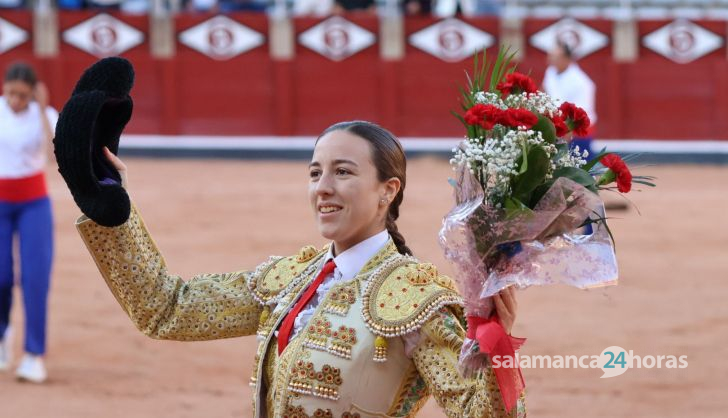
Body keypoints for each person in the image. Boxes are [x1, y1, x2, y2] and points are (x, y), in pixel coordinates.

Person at [71, 119, 526, 416]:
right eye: (315, 173)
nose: (323, 188)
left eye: (343, 172)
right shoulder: (292, 277)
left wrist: (494, 345)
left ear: (388, 190)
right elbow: (167, 309)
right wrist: (113, 211)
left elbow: (479, 412)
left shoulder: (414, 297)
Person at [0, 62, 58, 383]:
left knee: (36, 279)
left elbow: (54, 156)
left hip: (34, 202)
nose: (15, 101)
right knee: (1, 275)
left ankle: (34, 354)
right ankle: (2, 333)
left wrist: (40, 109)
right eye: (10, 93)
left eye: (22, 96)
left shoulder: (46, 115)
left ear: (32, 94)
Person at [542, 41, 597, 159]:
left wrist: (565, 134)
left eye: (555, 57)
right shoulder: (550, 71)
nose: (550, 60)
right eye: (550, 56)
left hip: (576, 132)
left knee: (583, 170)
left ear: (566, 59)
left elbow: (581, 114)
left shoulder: (581, 82)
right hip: (557, 130)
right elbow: (545, 92)